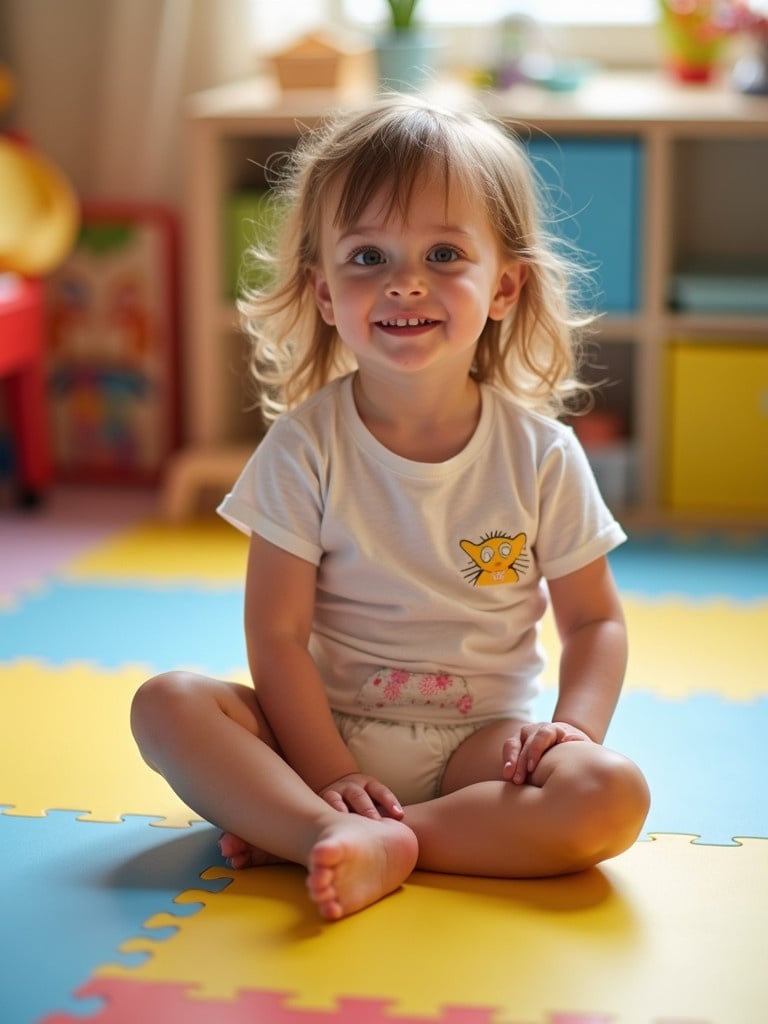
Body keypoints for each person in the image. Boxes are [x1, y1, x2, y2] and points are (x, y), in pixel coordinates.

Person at [131, 95, 650, 922]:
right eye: (367, 256)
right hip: (315, 735)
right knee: (168, 702)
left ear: (505, 285)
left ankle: (356, 838)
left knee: (612, 794)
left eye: (444, 252)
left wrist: (573, 732)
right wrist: (330, 771)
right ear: (327, 294)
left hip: (480, 751)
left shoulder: (543, 454)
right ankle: (321, 820)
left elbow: (595, 624)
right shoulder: (304, 447)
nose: (405, 281)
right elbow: (275, 636)